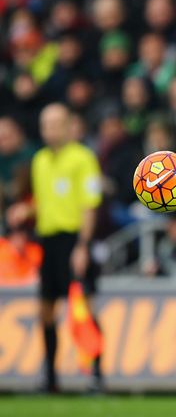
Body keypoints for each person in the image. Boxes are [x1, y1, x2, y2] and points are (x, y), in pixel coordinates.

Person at [6, 103, 103, 393]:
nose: (48, 130)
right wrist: (25, 212)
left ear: (68, 125)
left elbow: (89, 205)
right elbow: (42, 202)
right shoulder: (39, 161)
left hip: (73, 239)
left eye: (54, 124)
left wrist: (83, 246)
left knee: (83, 308)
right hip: (47, 241)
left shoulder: (83, 158)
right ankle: (50, 378)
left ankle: (96, 376)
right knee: (46, 310)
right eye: (45, 124)